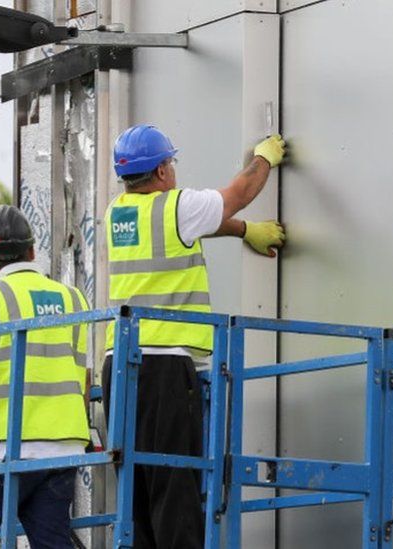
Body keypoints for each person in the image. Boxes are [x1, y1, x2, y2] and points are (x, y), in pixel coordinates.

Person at [102, 124, 287, 548]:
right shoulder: (175, 206)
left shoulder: (119, 212)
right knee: (175, 482)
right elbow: (237, 193)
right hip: (164, 365)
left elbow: (200, 223)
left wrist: (244, 231)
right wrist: (264, 159)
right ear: (164, 169)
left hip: (120, 366)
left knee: (137, 484)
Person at [0, 205, 91, 549]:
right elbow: (81, 376)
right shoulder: (72, 298)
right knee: (50, 540)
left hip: (5, 445)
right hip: (63, 447)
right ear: (32, 251)